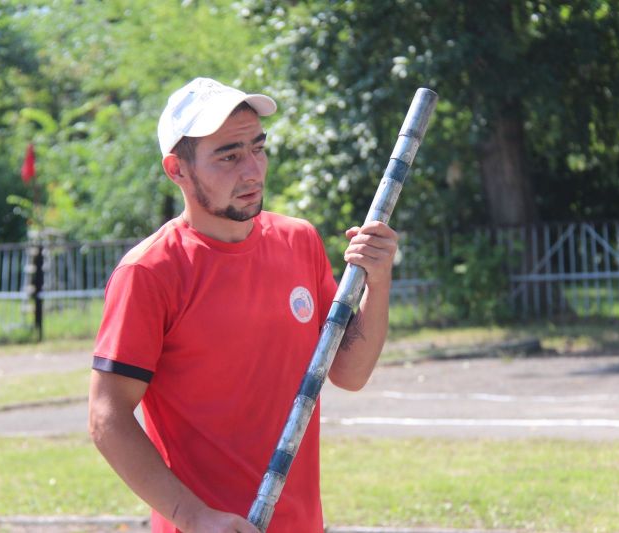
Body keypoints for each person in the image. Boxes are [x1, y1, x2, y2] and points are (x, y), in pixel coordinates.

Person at [88, 77, 398, 533]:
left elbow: (349, 373)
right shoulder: (150, 272)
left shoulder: (299, 240)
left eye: (258, 148)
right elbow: (107, 416)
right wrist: (193, 516)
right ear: (177, 169)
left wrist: (379, 279)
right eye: (229, 156)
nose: (252, 171)